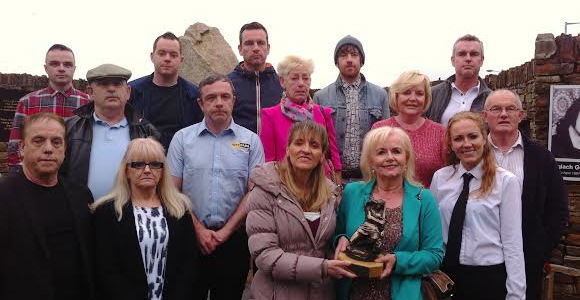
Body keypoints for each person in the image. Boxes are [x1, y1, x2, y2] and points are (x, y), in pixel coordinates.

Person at [167, 73, 264, 300]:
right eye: (211, 98)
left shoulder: (251, 142)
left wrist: (225, 232)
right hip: (191, 239)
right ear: (201, 104)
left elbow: (254, 191)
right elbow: (171, 191)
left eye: (224, 96)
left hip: (234, 242)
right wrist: (199, 230)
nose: (219, 102)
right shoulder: (182, 140)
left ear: (233, 101)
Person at [246, 120, 355, 300]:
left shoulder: (330, 195)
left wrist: (341, 239)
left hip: (321, 293)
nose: (306, 149)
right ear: (288, 150)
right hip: (276, 293)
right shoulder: (266, 190)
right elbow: (265, 256)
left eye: (314, 145)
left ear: (321, 155)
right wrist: (322, 268)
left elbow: (327, 243)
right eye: (299, 143)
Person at [334, 126, 444, 300]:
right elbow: (337, 234)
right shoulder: (352, 193)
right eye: (381, 152)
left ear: (406, 158)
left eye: (396, 151)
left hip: (402, 293)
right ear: (370, 161)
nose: (390, 158)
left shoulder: (424, 199)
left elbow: (434, 255)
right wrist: (340, 238)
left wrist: (398, 261)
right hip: (353, 292)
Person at [483, 89, 568, 300]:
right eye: (496, 109)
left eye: (510, 108)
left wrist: (540, 249)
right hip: (479, 260)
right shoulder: (471, 155)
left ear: (520, 115)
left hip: (527, 257)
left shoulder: (542, 158)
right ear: (485, 116)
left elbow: (557, 209)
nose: (503, 114)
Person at [431, 111, 526, 300]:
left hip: (487, 277)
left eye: (473, 136)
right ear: (451, 144)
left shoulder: (506, 182)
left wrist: (516, 293)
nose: (467, 144)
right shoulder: (440, 178)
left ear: (484, 138)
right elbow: (432, 231)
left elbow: (513, 243)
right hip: (445, 274)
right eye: (458, 138)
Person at [0, 113, 95, 300]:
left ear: (65, 148)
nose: (48, 149)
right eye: (38, 141)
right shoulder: (4, 196)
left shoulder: (80, 195)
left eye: (56, 142)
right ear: (22, 148)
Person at [92, 138, 198, 300]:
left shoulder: (179, 209)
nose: (147, 170)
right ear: (126, 170)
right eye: (138, 164)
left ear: (163, 171)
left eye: (155, 164)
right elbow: (106, 268)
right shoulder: (107, 212)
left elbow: (189, 263)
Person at [62, 64, 159, 200]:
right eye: (103, 84)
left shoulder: (147, 131)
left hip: (129, 215)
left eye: (118, 84)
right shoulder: (70, 128)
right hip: (81, 213)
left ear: (128, 92)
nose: (111, 89)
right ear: (90, 92)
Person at [314, 35, 389, 182]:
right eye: (343, 55)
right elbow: (318, 144)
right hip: (331, 180)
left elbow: (385, 141)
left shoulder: (380, 95)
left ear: (361, 60)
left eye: (354, 54)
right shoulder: (320, 97)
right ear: (336, 62)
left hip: (369, 180)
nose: (349, 59)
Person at [7, 44, 91, 172]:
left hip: (76, 177)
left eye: (67, 64)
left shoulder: (89, 103)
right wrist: (19, 175)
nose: (61, 69)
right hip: (37, 176)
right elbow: (15, 146)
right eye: (55, 64)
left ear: (74, 68)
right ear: (46, 68)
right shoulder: (28, 102)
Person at [260, 55, 341, 182]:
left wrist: (338, 188)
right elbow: (269, 162)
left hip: (320, 185)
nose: (301, 84)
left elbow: (334, 157)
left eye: (305, 78)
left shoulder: (323, 113)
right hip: (286, 186)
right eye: (294, 78)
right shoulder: (270, 115)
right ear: (282, 81)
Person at [129, 32, 203, 149]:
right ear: (152, 56)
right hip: (142, 161)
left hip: (182, 161)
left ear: (181, 60)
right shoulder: (132, 92)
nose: (167, 59)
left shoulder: (194, 96)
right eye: (162, 54)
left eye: (173, 55)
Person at [372, 71, 445, 187]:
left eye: (419, 93)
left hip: (428, 203)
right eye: (406, 93)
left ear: (426, 98)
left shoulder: (441, 132)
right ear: (396, 96)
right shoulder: (379, 129)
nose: (413, 98)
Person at [228, 21, 283, 134]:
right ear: (240, 49)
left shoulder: (283, 84)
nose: (256, 48)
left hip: (274, 150)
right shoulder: (227, 85)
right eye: (249, 43)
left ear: (268, 48)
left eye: (261, 43)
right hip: (237, 149)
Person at [426, 34, 491, 126]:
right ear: (453, 60)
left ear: (482, 60)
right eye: (462, 54)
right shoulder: (432, 95)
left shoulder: (491, 99)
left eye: (474, 54)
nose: (468, 59)